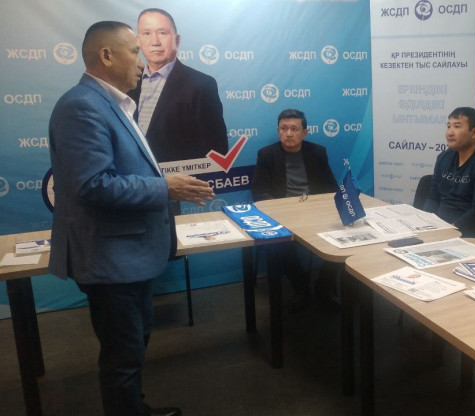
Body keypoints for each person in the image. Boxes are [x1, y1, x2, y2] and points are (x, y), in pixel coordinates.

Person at [48, 21, 215, 416]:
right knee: (122, 357)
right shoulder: (81, 107)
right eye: (135, 52)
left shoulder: (111, 103)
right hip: (111, 261)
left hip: (128, 258)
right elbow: (93, 185)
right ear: (106, 56)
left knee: (133, 347)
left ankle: (134, 408)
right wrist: (165, 188)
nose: (143, 61)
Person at [251, 109, 338, 311]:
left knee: (344, 239)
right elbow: (259, 192)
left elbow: (331, 187)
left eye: (294, 129)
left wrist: (319, 208)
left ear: (304, 132)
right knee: (279, 244)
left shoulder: (317, 152)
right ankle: (300, 286)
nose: (288, 133)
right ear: (278, 130)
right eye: (284, 128)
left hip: (315, 211)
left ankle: (323, 286)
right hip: (283, 214)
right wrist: (284, 211)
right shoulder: (267, 155)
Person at [128, 8, 228, 162]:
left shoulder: (201, 85)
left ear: (177, 40)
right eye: (146, 34)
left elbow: (216, 150)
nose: (155, 42)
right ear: (138, 40)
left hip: (180, 177)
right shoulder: (126, 82)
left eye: (162, 33)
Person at [423, 107, 475, 240]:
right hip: (440, 229)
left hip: (472, 236)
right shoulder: (444, 157)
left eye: (457, 126)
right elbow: (433, 197)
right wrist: (425, 223)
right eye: (448, 126)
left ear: (474, 132)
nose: (450, 133)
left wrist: (449, 231)